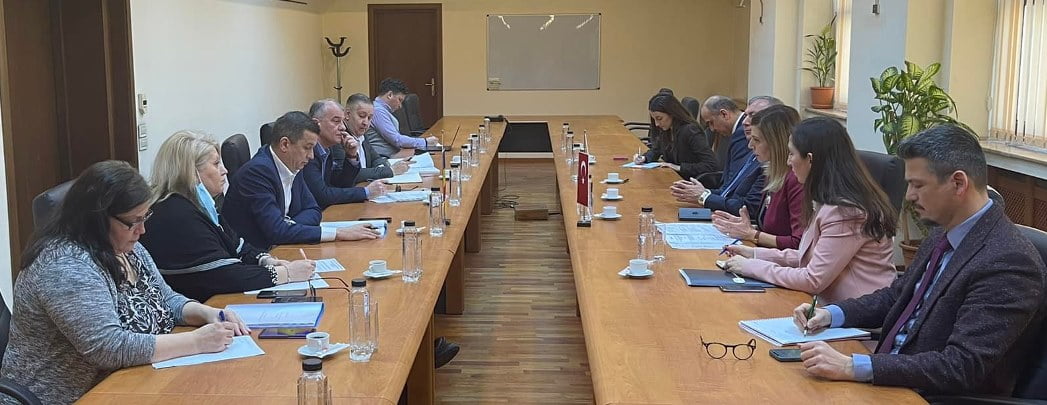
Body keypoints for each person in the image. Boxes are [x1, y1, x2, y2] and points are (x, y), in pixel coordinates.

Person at [792, 124, 1047, 396]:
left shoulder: (1009, 262)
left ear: (958, 183)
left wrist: (852, 367)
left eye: (918, 185)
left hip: (927, 395)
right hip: (892, 378)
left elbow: (961, 366)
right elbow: (897, 297)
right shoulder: (943, 231)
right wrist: (831, 314)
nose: (909, 196)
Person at [0, 161, 250, 404]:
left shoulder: (127, 247)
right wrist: (196, 342)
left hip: (129, 382)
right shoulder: (64, 265)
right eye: (133, 221)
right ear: (98, 219)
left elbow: (166, 299)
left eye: (144, 217)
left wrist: (208, 313)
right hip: (66, 396)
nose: (142, 230)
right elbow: (107, 347)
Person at [722, 117, 897, 302]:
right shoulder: (831, 199)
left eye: (792, 154)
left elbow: (812, 279)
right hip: (826, 305)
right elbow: (808, 257)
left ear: (810, 159)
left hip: (856, 311)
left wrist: (751, 267)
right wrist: (754, 254)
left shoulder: (847, 211)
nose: (788, 161)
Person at [141, 131, 317, 302]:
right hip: (199, 306)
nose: (224, 171)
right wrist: (286, 273)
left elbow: (238, 245)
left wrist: (266, 260)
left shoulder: (200, 204)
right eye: (216, 164)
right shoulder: (176, 214)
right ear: (191, 172)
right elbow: (224, 275)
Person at [222, 111, 380, 248]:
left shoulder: (292, 163)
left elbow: (313, 210)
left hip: (284, 247)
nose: (311, 156)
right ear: (285, 144)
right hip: (258, 257)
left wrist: (288, 226)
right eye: (307, 147)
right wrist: (338, 233)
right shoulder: (257, 173)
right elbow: (277, 232)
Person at [712, 104, 805, 249]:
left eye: (756, 140)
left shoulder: (796, 179)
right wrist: (745, 227)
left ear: (776, 143)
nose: (750, 145)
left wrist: (753, 234)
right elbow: (768, 227)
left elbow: (798, 244)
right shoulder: (771, 172)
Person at [669, 96, 768, 215]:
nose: (745, 122)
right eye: (746, 115)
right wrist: (702, 193)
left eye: (752, 116)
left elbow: (748, 207)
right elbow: (730, 189)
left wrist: (704, 196)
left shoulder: (765, 162)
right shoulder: (753, 155)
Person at [303, 99, 387, 208]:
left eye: (342, 121)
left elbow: (340, 185)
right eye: (336, 121)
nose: (343, 127)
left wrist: (351, 156)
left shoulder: (327, 149)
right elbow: (322, 195)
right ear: (316, 124)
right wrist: (365, 192)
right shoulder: (307, 153)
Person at [631, 93, 718, 180]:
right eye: (654, 119)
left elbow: (711, 165)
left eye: (659, 118)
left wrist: (678, 167)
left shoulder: (690, 130)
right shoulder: (667, 129)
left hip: (691, 181)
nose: (657, 124)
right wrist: (644, 158)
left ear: (672, 114)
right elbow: (657, 149)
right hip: (674, 178)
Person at [343, 93, 412, 183]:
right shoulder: (340, 138)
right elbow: (353, 174)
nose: (366, 123)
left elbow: (376, 159)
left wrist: (382, 170)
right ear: (347, 114)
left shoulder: (362, 134)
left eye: (369, 118)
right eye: (362, 116)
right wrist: (390, 170)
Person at [368, 77, 439, 158]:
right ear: (390, 95)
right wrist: (425, 142)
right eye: (400, 100)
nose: (400, 106)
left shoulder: (382, 109)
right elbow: (396, 140)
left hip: (394, 154)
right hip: (385, 158)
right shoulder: (378, 111)